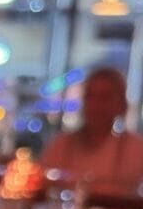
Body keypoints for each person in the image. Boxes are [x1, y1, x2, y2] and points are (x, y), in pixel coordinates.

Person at [39, 66, 143, 194]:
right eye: (90, 96)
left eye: (104, 98)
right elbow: (44, 189)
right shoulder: (60, 145)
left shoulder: (135, 149)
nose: (95, 105)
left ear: (121, 104)